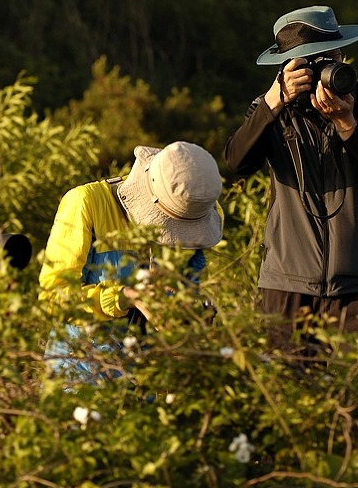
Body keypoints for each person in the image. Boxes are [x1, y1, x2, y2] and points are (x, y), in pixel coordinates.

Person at [224, 5, 358, 351]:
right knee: (290, 397)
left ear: (342, 54)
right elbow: (236, 163)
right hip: (288, 285)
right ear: (285, 68)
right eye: (309, 63)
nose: (323, 69)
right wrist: (274, 103)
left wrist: (348, 125)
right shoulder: (271, 109)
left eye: (329, 58)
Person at [39, 141, 223, 384]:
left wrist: (189, 316)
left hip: (148, 379)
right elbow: (53, 298)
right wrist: (126, 296)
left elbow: (190, 284)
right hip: (81, 375)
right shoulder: (86, 203)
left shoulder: (193, 203)